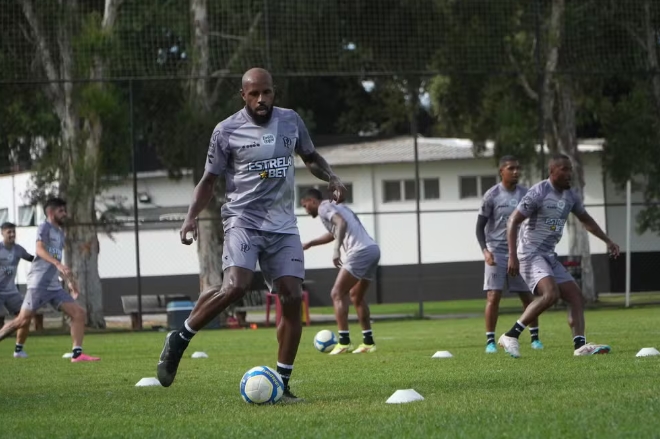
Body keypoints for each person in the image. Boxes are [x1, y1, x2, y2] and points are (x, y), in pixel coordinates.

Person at [156, 67, 347, 403]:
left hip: (283, 225)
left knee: (290, 295)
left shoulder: (291, 121)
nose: (262, 100)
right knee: (236, 287)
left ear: (275, 92)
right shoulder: (226, 130)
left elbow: (310, 156)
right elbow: (208, 181)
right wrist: (190, 217)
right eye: (255, 94)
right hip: (242, 221)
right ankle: (179, 340)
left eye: (267, 93)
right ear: (242, 95)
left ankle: (283, 384)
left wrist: (330, 176)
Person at [498, 154, 619, 358]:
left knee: (575, 296)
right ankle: (511, 335)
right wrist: (512, 256)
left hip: (548, 255)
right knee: (550, 294)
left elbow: (586, 220)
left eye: (570, 169)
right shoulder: (539, 192)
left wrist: (608, 241)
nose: (569, 173)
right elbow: (512, 221)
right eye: (564, 169)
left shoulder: (571, 196)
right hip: (529, 253)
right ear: (552, 171)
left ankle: (580, 346)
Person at [0, 198, 100, 362]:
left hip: (54, 286)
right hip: (39, 284)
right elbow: (39, 250)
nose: (65, 214)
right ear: (51, 212)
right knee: (22, 320)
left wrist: (69, 281)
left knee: (79, 313)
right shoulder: (44, 227)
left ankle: (77, 354)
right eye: (61, 211)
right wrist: (58, 264)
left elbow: (57, 260)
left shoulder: (60, 233)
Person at [301, 188, 380, 355]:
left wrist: (336, 250)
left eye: (305, 205)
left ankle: (344, 342)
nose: (305, 209)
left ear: (313, 201)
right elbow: (335, 231)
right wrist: (310, 243)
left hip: (359, 252)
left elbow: (341, 223)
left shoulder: (323, 208)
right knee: (356, 297)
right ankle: (368, 342)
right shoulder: (336, 206)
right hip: (372, 250)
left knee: (337, 293)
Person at [476, 156, 543, 354]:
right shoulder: (492, 195)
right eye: (511, 168)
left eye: (518, 168)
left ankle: (535, 338)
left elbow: (535, 222)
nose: (516, 171)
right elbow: (479, 227)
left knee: (528, 296)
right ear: (501, 172)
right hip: (497, 252)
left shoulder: (526, 194)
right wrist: (485, 251)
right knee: (493, 295)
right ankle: (490, 341)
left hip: (522, 252)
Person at [0, 222, 34, 358]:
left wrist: (46, 260)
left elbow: (32, 259)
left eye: (13, 232)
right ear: (2, 233)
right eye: (9, 232)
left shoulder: (18, 249)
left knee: (25, 317)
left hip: (12, 292)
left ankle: (18, 350)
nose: (12, 235)